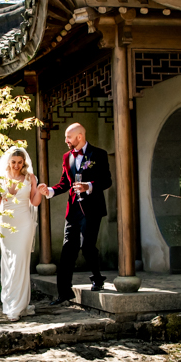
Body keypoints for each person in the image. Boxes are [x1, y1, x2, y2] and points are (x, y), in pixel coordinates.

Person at [44, 123, 112, 304]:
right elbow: (64, 183)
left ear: (79, 137)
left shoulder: (99, 154)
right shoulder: (67, 157)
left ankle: (97, 278)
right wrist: (49, 191)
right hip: (73, 209)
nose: (66, 141)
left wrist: (88, 186)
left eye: (68, 137)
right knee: (67, 249)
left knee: (87, 246)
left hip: (92, 209)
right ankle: (64, 293)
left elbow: (106, 181)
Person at [0, 147, 47, 321]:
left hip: (24, 224)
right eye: (13, 162)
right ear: (8, 161)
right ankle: (9, 303)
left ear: (24, 163)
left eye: (19, 162)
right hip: (6, 224)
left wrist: (41, 193)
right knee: (8, 263)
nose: (16, 165)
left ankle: (18, 305)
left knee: (21, 262)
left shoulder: (30, 178)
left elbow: (34, 201)